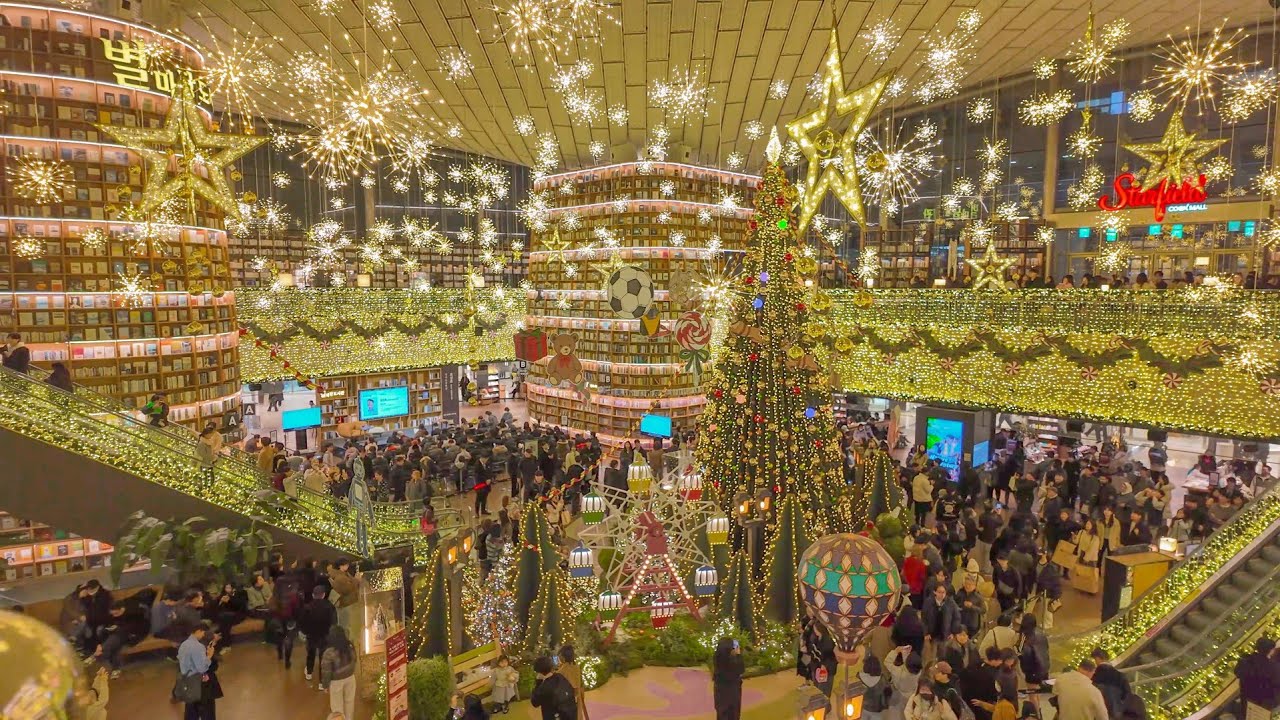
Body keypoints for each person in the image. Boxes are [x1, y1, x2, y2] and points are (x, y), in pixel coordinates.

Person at [177, 620, 217, 720]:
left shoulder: (183, 645)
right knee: (207, 711)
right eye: (203, 632)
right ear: (198, 631)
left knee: (191, 712)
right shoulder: (198, 647)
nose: (203, 635)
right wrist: (209, 656)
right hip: (199, 683)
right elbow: (202, 668)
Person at [299, 586, 337, 684]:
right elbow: (334, 622)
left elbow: (302, 622)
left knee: (310, 654)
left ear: (313, 595)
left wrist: (305, 632)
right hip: (325, 635)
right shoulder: (330, 606)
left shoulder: (307, 607)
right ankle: (321, 682)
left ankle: (309, 673)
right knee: (323, 657)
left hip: (311, 635)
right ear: (324, 595)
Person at [1235, 637, 1280, 720]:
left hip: (1246, 699)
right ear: (1271, 650)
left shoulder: (1246, 660)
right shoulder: (1272, 667)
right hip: (1263, 704)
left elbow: (1238, 673)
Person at [320, 626, 357, 720]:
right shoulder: (350, 646)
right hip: (350, 678)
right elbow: (354, 660)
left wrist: (325, 685)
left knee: (337, 709)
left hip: (336, 682)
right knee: (349, 703)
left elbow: (326, 671)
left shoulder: (329, 652)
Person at [958, 646, 1004, 720]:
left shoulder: (974, 664)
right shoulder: (990, 675)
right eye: (999, 660)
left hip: (969, 699)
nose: (1001, 662)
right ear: (993, 660)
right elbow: (992, 693)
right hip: (982, 703)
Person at [530, 655, 577, 720]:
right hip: (570, 715)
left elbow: (534, 702)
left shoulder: (544, 687)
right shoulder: (560, 677)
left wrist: (538, 682)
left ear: (539, 672)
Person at [712, 637, 745, 720]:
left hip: (721, 692)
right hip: (732, 692)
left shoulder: (718, 659)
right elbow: (741, 669)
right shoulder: (733, 662)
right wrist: (738, 655)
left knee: (722, 713)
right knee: (732, 713)